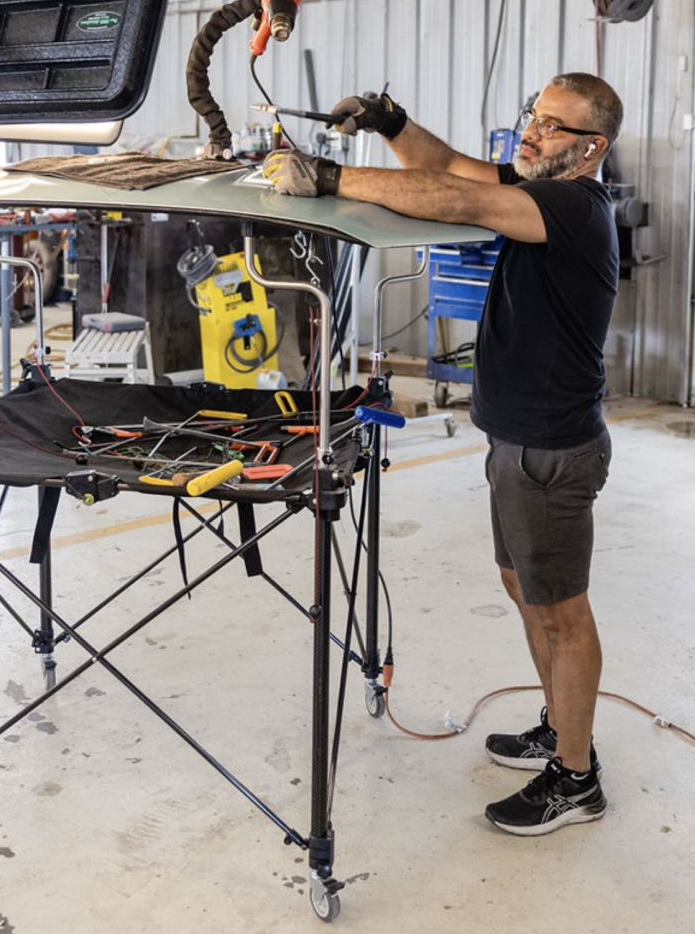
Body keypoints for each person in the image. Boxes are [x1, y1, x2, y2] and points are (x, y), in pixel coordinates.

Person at [263, 73, 621, 836]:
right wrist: (394, 123)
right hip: (517, 442)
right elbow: (454, 170)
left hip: (550, 453)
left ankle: (576, 778)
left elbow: (458, 203)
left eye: (553, 127)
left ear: (591, 149)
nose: (532, 132)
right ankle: (561, 730)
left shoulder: (573, 206)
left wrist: (329, 177)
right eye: (533, 115)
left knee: (562, 613)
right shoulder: (535, 182)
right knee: (525, 589)